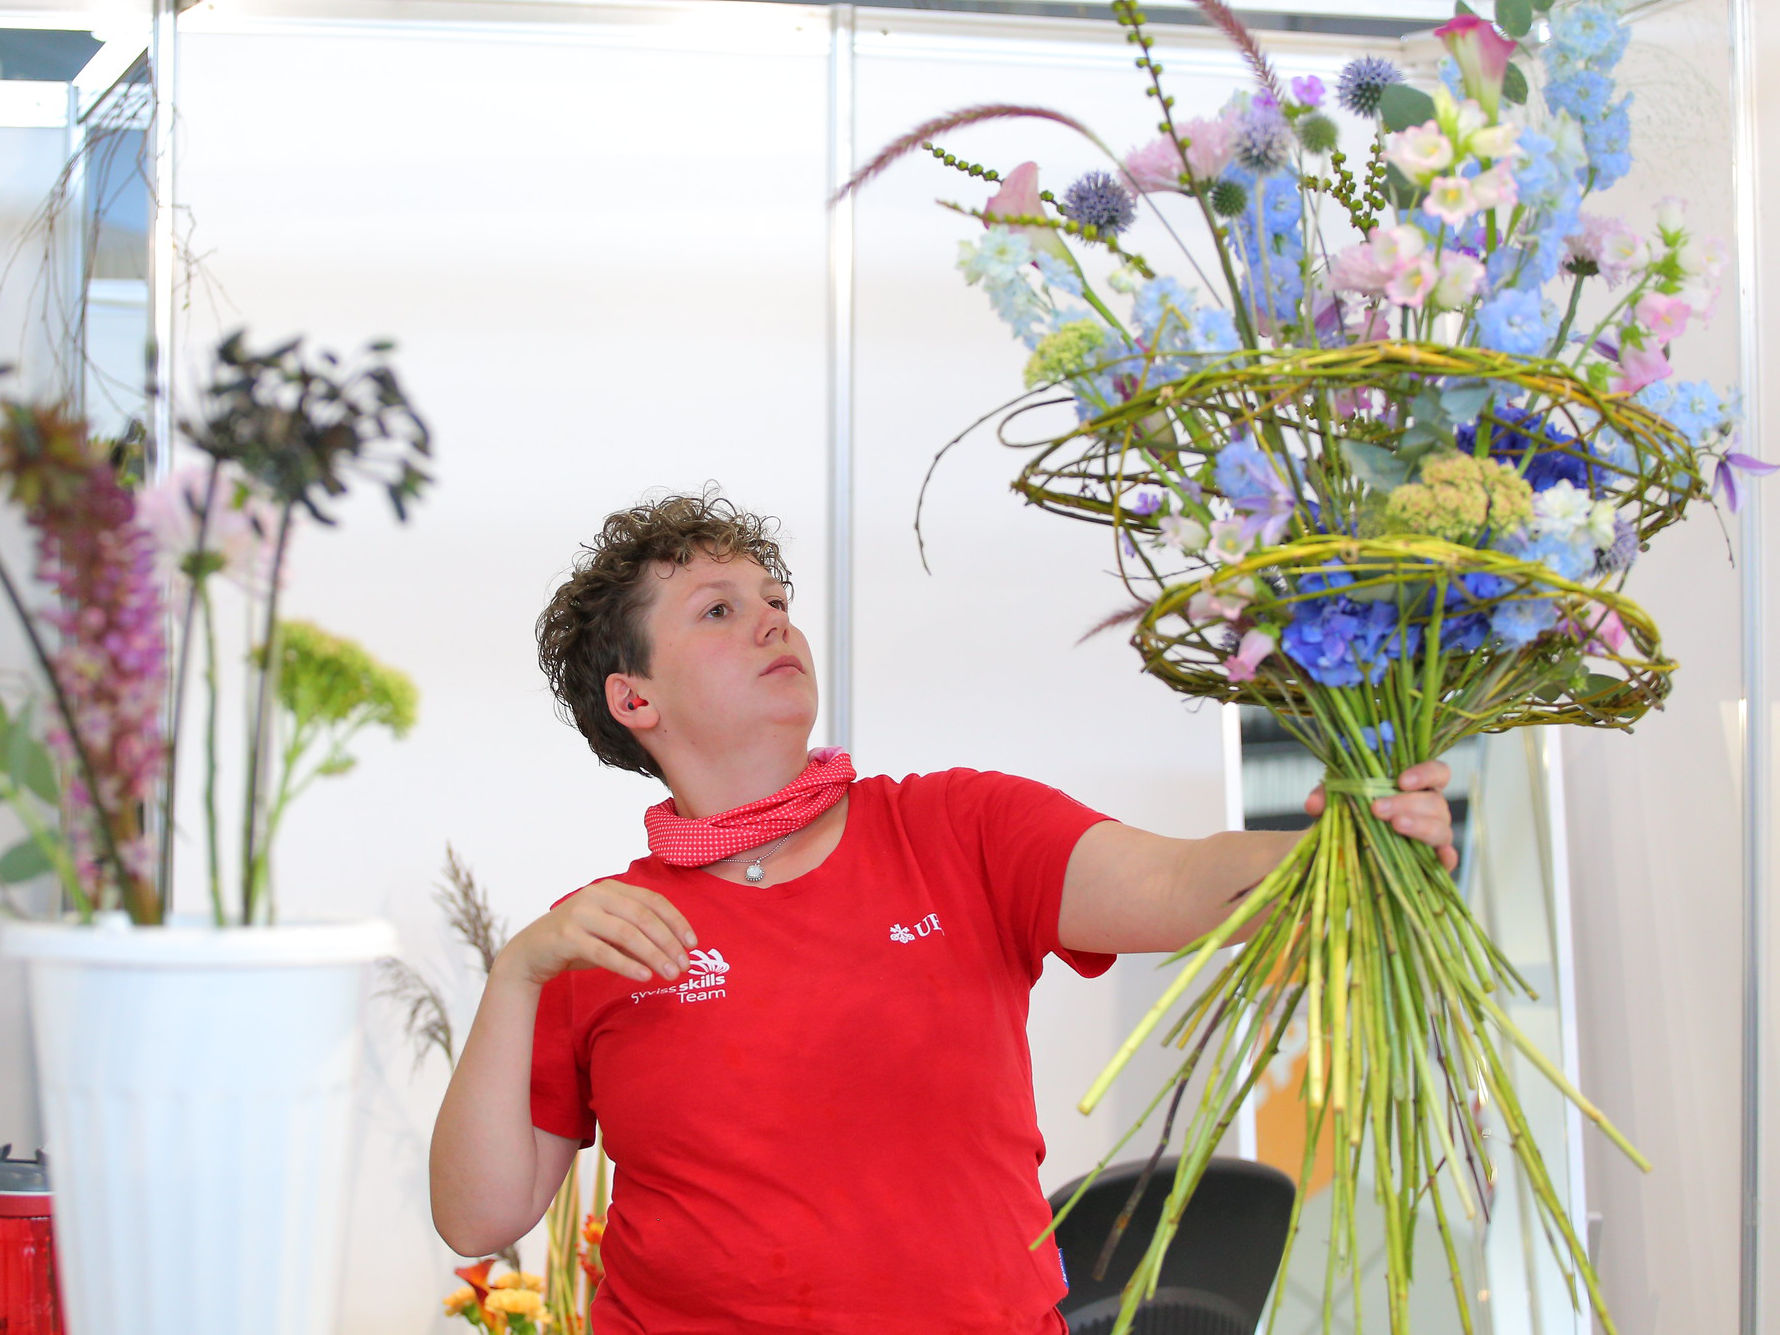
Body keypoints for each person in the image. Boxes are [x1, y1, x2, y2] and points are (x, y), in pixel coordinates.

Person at [429, 493, 1457, 1334]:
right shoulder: (598, 934)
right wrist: (517, 971)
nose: (774, 620)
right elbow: (478, 1215)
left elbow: (1183, 883)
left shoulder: (958, 828)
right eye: (718, 610)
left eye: (774, 598)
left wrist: (1346, 854)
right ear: (634, 700)